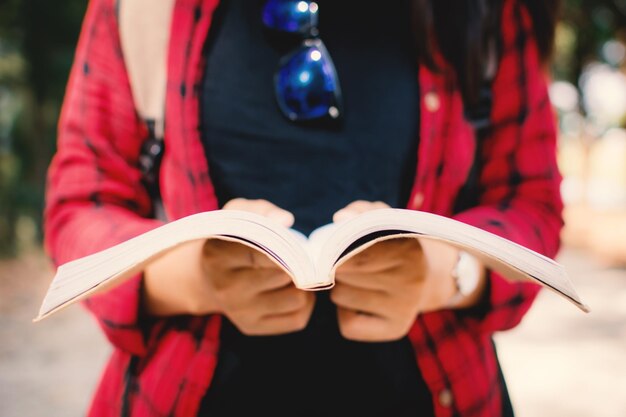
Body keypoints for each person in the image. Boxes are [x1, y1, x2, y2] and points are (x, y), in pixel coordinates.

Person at [43, 0, 564, 416]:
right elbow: (80, 205)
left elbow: (531, 205)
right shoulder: (143, 8)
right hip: (186, 392)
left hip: (435, 392)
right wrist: (195, 279)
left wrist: (443, 273)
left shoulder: (489, 11)